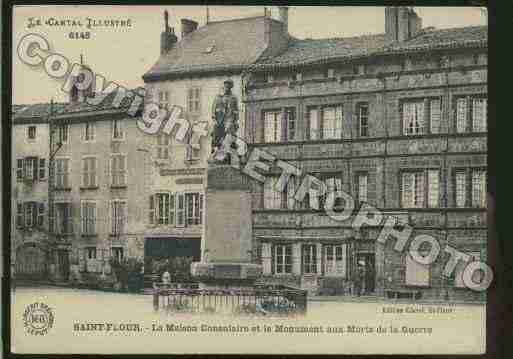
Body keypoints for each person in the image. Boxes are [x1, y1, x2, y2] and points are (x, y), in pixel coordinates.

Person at [211, 79, 239, 161]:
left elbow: (236, 111)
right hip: (219, 120)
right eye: (225, 86)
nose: (227, 88)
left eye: (228, 86)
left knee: (229, 136)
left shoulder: (233, 98)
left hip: (229, 120)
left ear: (231, 87)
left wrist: (234, 121)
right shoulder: (218, 97)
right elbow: (213, 110)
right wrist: (215, 119)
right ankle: (216, 154)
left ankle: (227, 154)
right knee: (216, 135)